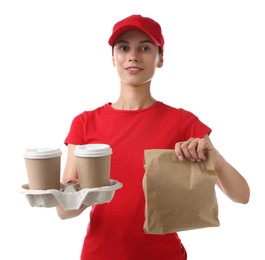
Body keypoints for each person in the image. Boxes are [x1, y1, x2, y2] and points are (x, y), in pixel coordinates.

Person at [56, 14, 250, 260]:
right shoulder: (84, 123)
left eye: (145, 48)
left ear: (160, 59)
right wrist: (88, 193)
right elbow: (64, 210)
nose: (133, 56)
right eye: (123, 47)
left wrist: (214, 158)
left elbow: (242, 195)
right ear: (113, 57)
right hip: (100, 254)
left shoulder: (183, 122)